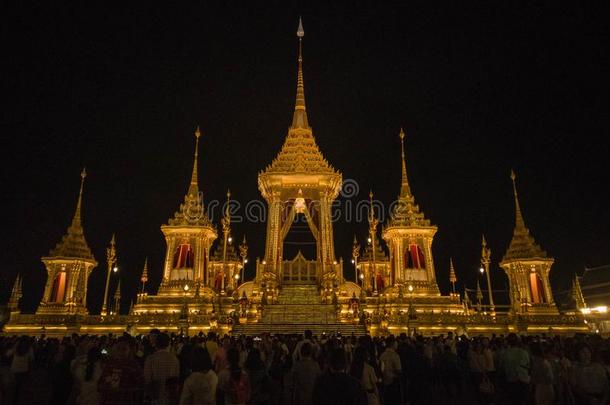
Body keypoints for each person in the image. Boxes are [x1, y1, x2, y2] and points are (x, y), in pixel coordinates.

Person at [98, 337, 145, 405]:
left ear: (129, 350)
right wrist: (107, 385)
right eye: (118, 349)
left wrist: (124, 389)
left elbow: (141, 385)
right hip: (111, 400)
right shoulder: (110, 364)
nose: (121, 352)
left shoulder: (134, 366)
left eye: (124, 349)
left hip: (125, 400)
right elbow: (100, 384)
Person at [144, 332, 180, 405]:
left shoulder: (151, 359)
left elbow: (147, 379)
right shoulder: (174, 358)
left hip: (155, 395)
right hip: (169, 395)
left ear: (156, 344)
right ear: (168, 344)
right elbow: (176, 377)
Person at [498, 333, 530, 405]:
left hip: (511, 379)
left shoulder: (505, 353)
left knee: (513, 400)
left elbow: (501, 367)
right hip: (523, 379)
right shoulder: (524, 352)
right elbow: (528, 365)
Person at [379, 336, 402, 405]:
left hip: (385, 380)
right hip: (393, 381)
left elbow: (381, 369)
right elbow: (398, 370)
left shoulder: (382, 355)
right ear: (392, 344)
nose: (397, 344)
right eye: (396, 343)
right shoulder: (395, 355)